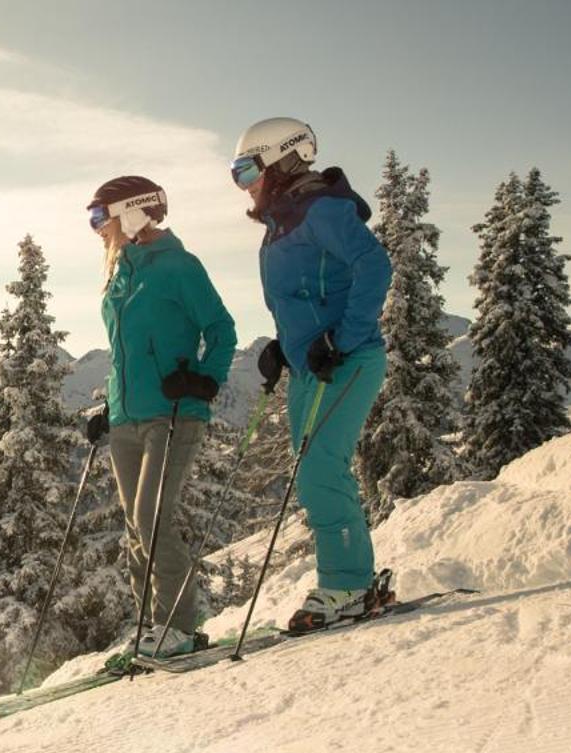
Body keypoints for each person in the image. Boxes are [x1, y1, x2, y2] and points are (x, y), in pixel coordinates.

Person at [230, 117, 394, 632]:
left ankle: (347, 586)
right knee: (313, 471)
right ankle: (349, 581)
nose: (243, 183)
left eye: (245, 170)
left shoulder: (322, 209)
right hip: (312, 366)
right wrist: (286, 345)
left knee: (323, 467)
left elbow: (375, 265)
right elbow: (308, 293)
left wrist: (341, 338)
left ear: (281, 160)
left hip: (345, 360)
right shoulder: (284, 221)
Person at [84, 175, 237, 656]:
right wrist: (109, 405)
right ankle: (154, 627)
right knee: (135, 525)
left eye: (98, 217)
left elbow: (222, 329)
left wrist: (203, 379)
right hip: (128, 418)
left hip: (174, 412)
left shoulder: (179, 268)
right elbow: (124, 352)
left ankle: (179, 627)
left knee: (151, 518)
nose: (95, 229)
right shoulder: (122, 272)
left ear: (133, 212)